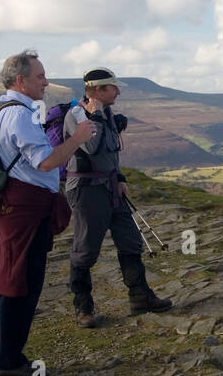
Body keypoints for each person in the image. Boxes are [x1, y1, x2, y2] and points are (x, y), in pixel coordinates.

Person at [0, 50, 97, 376]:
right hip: (26, 210)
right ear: (20, 80)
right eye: (40, 76)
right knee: (22, 283)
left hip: (15, 206)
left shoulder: (4, 109)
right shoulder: (19, 115)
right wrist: (76, 139)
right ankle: (9, 362)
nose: (46, 82)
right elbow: (46, 162)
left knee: (7, 281)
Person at [64, 67, 173, 328]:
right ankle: (83, 307)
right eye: (114, 87)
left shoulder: (107, 112)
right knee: (86, 249)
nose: (119, 92)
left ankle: (139, 296)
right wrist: (97, 116)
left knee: (130, 240)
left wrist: (120, 179)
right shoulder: (77, 114)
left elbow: (111, 153)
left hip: (111, 187)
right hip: (87, 189)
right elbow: (91, 146)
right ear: (99, 90)